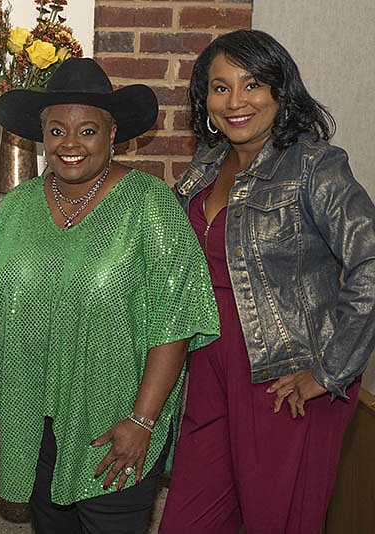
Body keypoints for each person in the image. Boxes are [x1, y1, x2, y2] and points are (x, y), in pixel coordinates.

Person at [0, 58, 219, 533]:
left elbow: (175, 322)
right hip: (31, 426)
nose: (70, 144)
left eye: (87, 131)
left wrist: (143, 422)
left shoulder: (149, 206)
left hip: (113, 430)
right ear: (41, 136)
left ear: (113, 135)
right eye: (56, 130)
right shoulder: (16, 209)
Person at [158, 29, 375, 534]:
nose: (235, 101)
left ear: (281, 91)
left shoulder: (314, 166)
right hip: (208, 369)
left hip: (286, 378)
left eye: (252, 84)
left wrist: (329, 372)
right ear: (203, 98)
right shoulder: (205, 166)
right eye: (219, 87)